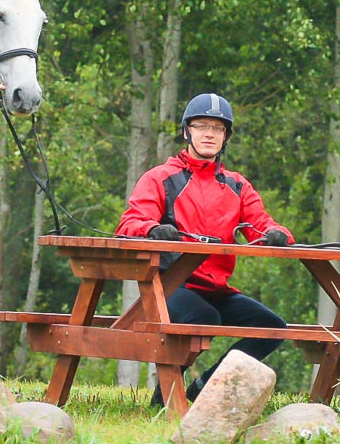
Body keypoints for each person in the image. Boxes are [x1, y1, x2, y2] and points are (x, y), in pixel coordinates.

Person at [116, 92, 292, 405]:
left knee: (272, 327)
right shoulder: (161, 177)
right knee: (203, 316)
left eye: (218, 128)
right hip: (168, 285)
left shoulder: (236, 184)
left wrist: (277, 234)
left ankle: (202, 388)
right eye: (201, 126)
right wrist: (153, 229)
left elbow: (262, 224)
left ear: (226, 137)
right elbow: (129, 224)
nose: (209, 133)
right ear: (187, 131)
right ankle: (167, 396)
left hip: (215, 287)